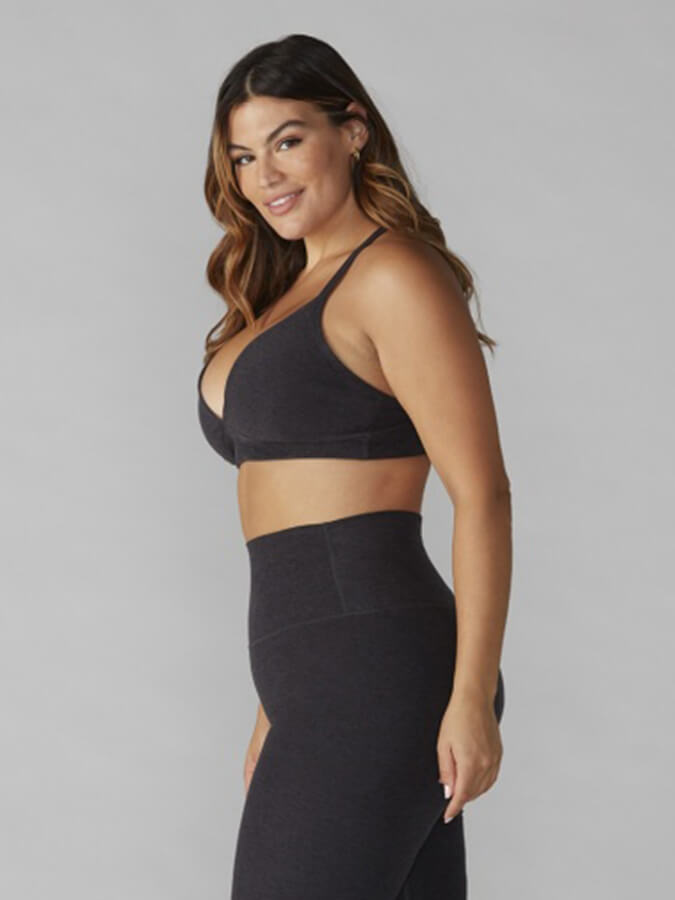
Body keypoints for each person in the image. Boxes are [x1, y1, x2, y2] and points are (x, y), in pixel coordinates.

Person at [197, 33, 511, 900]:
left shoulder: (390, 275)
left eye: (287, 140)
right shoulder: (279, 296)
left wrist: (471, 696)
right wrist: (274, 705)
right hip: (312, 678)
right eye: (243, 157)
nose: (264, 174)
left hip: (376, 672)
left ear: (353, 131)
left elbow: (482, 492)